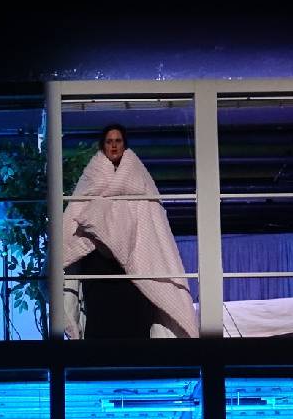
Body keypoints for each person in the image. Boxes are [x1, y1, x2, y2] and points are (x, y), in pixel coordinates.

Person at [58, 124, 200, 339]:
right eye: (109, 141)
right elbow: (76, 212)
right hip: (98, 266)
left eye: (118, 141)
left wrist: (110, 217)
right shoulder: (91, 177)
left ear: (124, 144)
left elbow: (151, 218)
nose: (114, 146)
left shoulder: (138, 176)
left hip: (132, 266)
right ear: (103, 145)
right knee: (100, 322)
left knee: (135, 320)